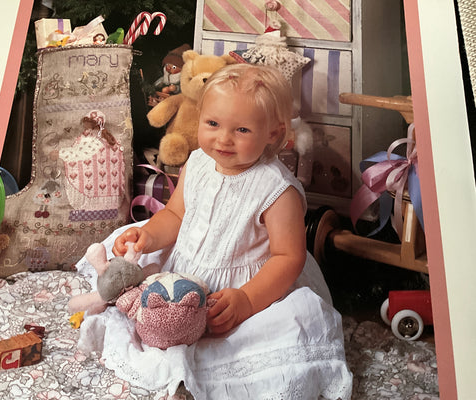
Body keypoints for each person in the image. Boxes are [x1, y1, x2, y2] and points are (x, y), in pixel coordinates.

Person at [76, 63, 352, 399]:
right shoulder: (197, 162)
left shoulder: (277, 190)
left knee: (265, 343)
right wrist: (148, 236)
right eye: (212, 124)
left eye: (242, 130)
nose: (223, 139)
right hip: (186, 272)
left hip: (248, 287)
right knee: (140, 307)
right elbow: (176, 214)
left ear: (273, 134)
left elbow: (288, 258)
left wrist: (246, 300)